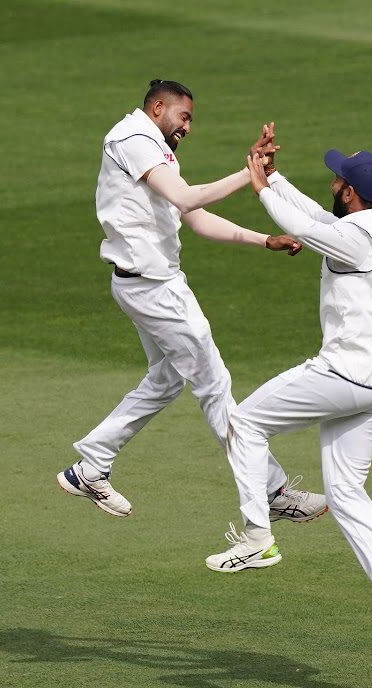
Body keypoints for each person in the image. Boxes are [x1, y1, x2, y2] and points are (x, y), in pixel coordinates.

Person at [56, 80, 327, 529]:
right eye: (184, 117)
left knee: (165, 380)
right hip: (155, 289)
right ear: (158, 107)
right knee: (215, 385)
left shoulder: (152, 149)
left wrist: (264, 240)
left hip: (143, 284)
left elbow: (195, 218)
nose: (187, 127)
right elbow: (186, 198)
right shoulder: (133, 139)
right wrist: (251, 174)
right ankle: (273, 491)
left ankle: (90, 467)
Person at [206, 137, 372, 663]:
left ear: (349, 193)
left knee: (244, 422)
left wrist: (259, 189)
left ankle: (259, 534)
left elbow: (304, 229)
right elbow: (316, 222)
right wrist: (274, 179)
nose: (331, 183)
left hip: (345, 376)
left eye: (337, 180)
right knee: (346, 494)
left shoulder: (358, 240)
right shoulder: (370, 226)